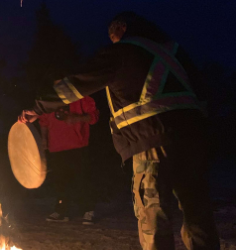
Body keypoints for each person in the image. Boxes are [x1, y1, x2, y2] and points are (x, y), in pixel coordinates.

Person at [19, 11, 219, 250]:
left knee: (154, 219)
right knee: (197, 215)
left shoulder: (122, 52)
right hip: (192, 144)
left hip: (151, 145)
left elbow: (76, 85)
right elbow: (204, 96)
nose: (110, 38)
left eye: (111, 32)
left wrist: (39, 107)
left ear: (121, 28)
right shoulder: (175, 52)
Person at [29, 96, 99, 224]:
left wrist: (77, 118)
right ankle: (62, 211)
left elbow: (93, 117)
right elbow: (44, 121)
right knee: (60, 180)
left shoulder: (79, 95)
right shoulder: (49, 98)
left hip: (78, 144)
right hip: (56, 146)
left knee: (82, 178)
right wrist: (44, 140)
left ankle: (88, 210)